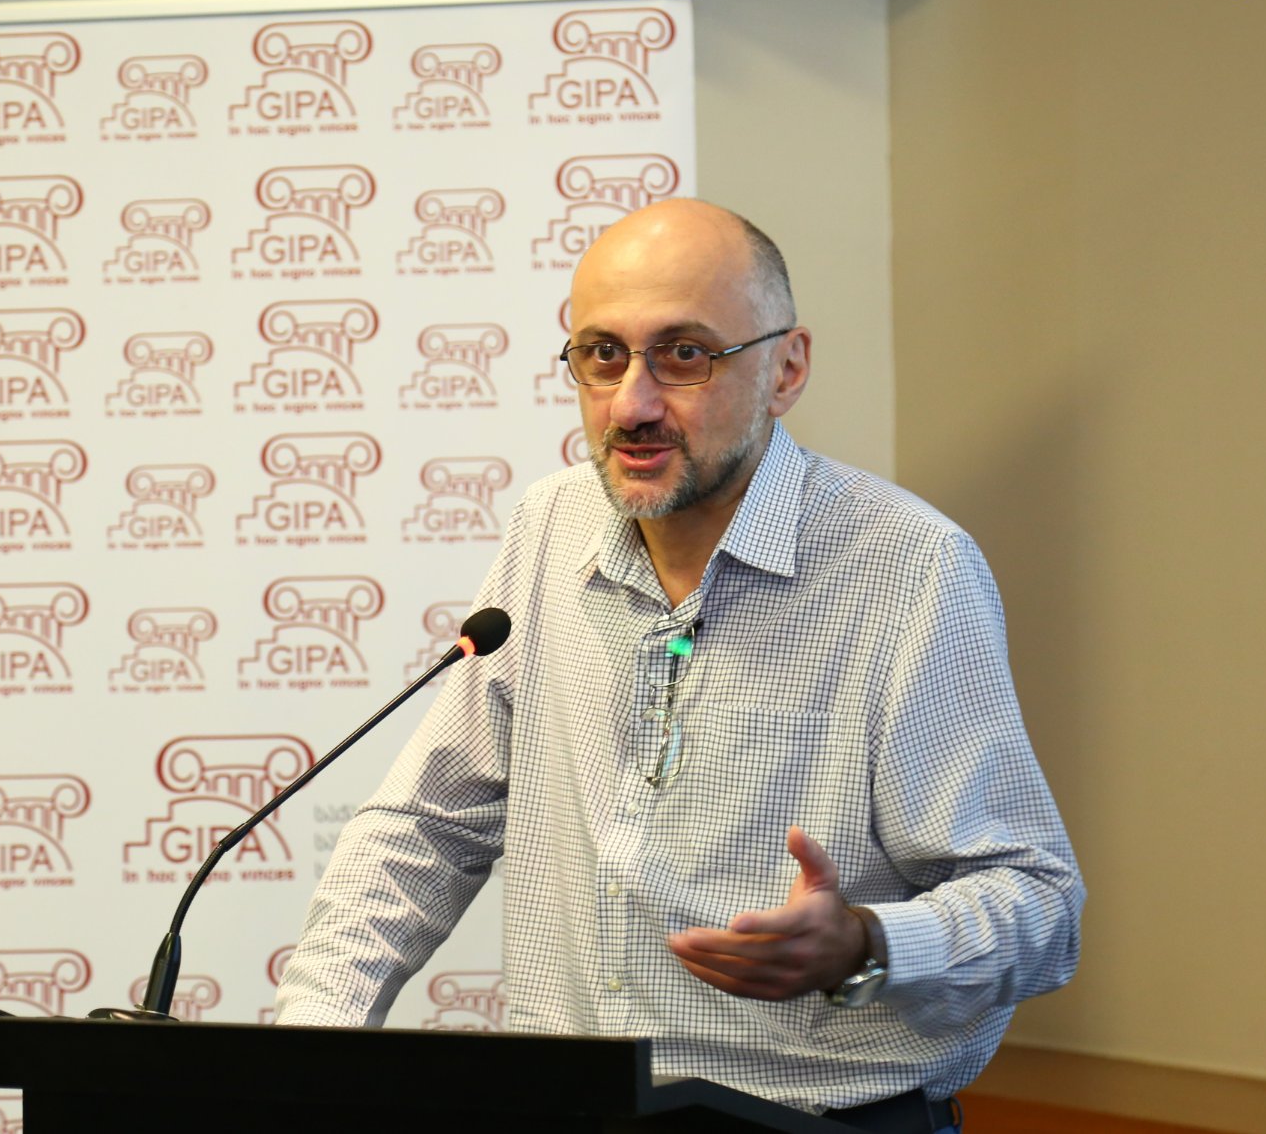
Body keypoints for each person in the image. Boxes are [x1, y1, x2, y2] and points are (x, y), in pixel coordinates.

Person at [277, 199, 1083, 1129]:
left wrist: (864, 942)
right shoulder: (549, 525)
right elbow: (428, 824)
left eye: (685, 354)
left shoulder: (908, 567)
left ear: (787, 368)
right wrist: (305, 1057)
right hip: (570, 1104)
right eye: (602, 354)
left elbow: (1040, 908)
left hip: (805, 1119)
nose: (633, 404)